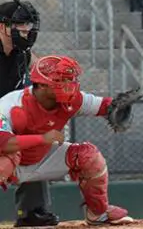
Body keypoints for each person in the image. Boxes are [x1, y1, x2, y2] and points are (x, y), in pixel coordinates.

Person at [0, 55, 135, 225]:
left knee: (89, 156)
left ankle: (98, 213)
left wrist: (115, 107)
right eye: (61, 81)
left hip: (42, 157)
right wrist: (42, 138)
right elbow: (3, 142)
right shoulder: (11, 103)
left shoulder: (72, 100)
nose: (68, 86)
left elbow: (101, 106)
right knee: (5, 160)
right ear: (41, 85)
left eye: (70, 80)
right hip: (12, 162)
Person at [0, 0, 58, 227]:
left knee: (35, 133)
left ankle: (32, 209)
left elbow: (45, 71)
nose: (26, 30)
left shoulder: (22, 53)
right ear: (2, 26)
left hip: (6, 114)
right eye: (19, 25)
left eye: (28, 25)